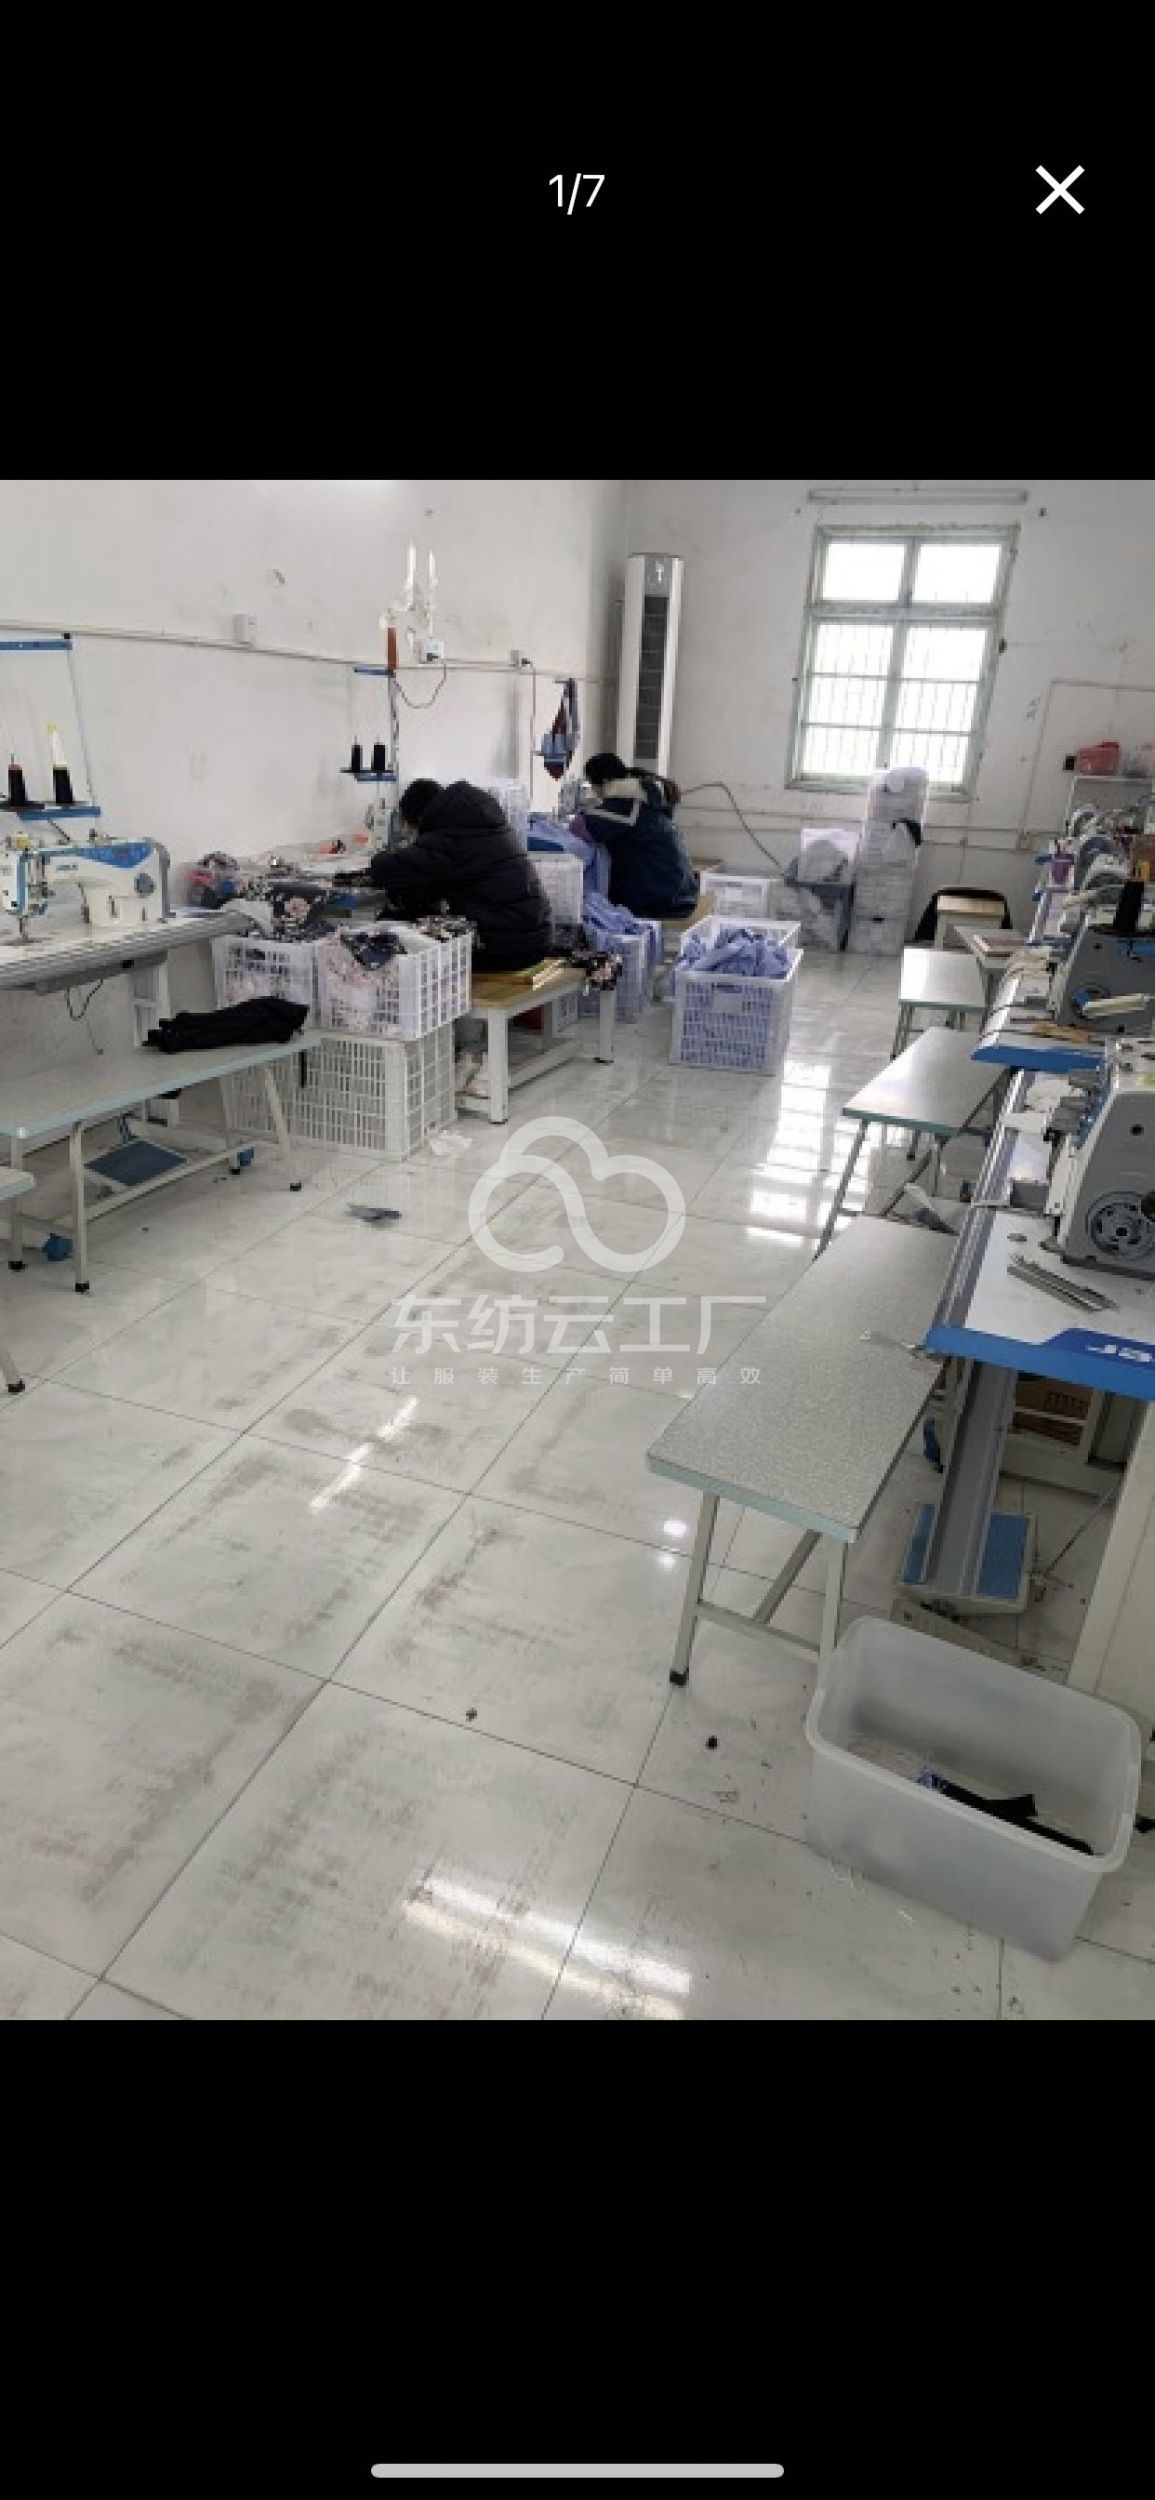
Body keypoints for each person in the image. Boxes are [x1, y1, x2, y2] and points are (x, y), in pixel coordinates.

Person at [368, 778, 553, 972]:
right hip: (535, 937)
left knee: (397, 929)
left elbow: (384, 869)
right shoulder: (482, 823)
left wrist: (381, 856)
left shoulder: (451, 838)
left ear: (420, 818)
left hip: (508, 948)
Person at [581, 753, 698, 919]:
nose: (594, 791)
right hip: (681, 894)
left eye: (593, 785)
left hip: (661, 901)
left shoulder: (625, 805)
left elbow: (586, 828)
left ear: (605, 782)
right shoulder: (644, 798)